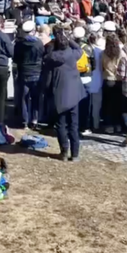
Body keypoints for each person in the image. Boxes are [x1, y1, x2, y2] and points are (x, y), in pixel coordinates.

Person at [42, 25, 86, 161]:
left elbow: (47, 73)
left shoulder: (51, 58)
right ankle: (75, 154)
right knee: (74, 125)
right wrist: (67, 37)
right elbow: (79, 48)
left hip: (59, 95)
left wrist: (57, 39)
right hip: (74, 95)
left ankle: (64, 152)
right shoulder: (73, 54)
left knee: (60, 125)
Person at [12, 20, 44, 129]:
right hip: (36, 72)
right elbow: (41, 55)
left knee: (23, 98)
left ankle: (24, 120)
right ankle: (34, 119)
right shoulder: (39, 43)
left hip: (24, 72)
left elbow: (15, 58)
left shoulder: (19, 44)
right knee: (35, 97)